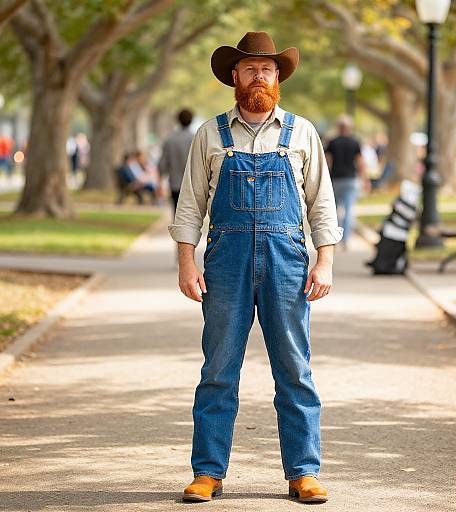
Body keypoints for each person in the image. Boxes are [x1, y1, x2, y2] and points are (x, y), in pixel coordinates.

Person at [169, 32, 342, 503]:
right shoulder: (210, 134)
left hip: (287, 263)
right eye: (249, 69)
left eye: (267, 69)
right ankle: (208, 472)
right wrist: (187, 263)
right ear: (234, 76)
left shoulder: (301, 132)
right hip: (225, 263)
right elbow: (190, 206)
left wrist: (324, 261)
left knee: (295, 369)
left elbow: (321, 203)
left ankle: (303, 472)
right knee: (219, 369)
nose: (258, 76)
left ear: (278, 77)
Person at [325, 115, 368, 248]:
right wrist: (365, 178)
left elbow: (327, 161)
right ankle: (346, 240)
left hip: (336, 179)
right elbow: (360, 162)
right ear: (349, 127)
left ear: (339, 127)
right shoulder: (355, 142)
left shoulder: (332, 142)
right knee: (349, 211)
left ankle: (335, 240)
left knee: (334, 211)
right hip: (350, 179)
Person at [158, 109, 195, 213]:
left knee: (177, 214)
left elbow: (162, 164)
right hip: (192, 184)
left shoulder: (170, 139)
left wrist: (159, 183)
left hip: (175, 183)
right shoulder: (195, 138)